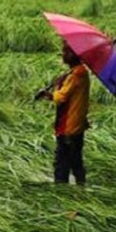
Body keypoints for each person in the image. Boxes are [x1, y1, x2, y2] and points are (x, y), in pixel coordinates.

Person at [35, 42, 90, 185]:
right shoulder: (79, 72)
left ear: (74, 55)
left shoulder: (76, 75)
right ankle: (81, 186)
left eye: (66, 51)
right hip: (77, 124)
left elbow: (61, 97)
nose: (63, 54)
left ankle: (61, 189)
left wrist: (49, 94)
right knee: (75, 159)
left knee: (62, 161)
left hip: (69, 125)